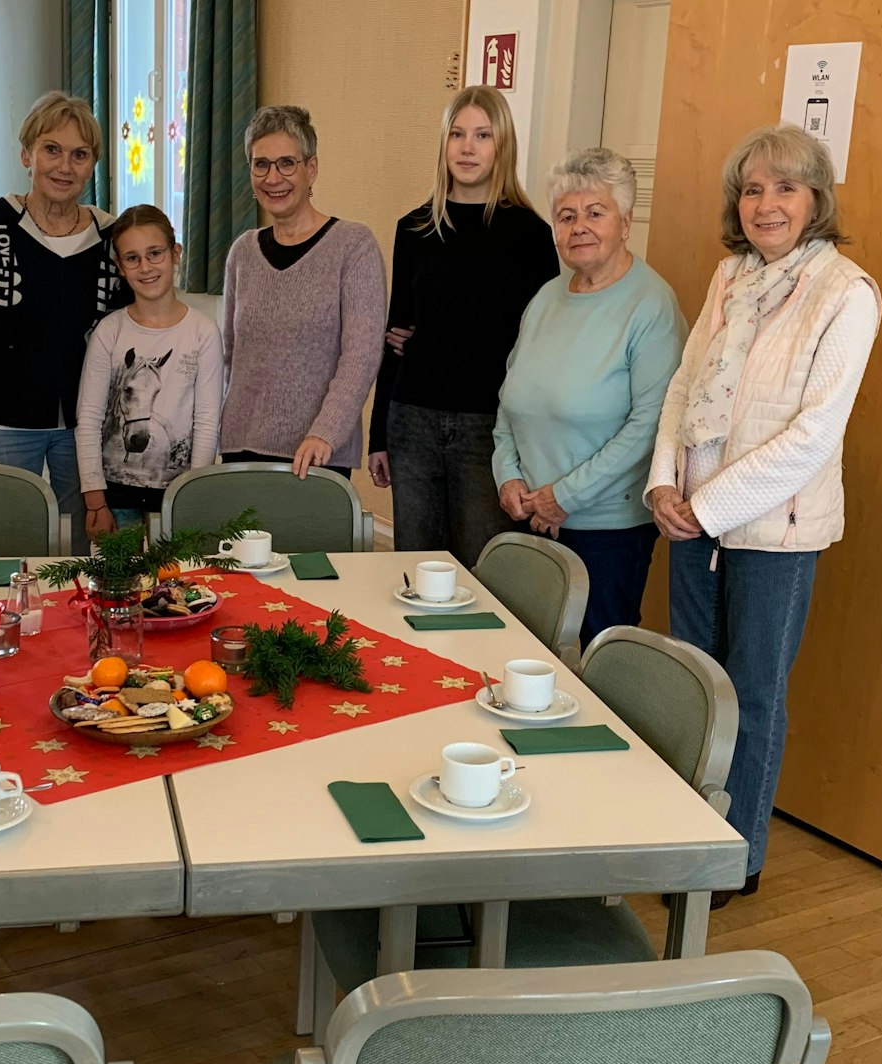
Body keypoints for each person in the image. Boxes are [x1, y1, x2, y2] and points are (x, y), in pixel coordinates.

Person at [646, 124, 881, 905]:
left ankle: (735, 858)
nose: (766, 204)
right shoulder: (728, 278)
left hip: (771, 534)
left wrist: (706, 507)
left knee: (752, 693)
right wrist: (661, 486)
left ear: (816, 199)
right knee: (694, 685)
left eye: (786, 187)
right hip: (689, 521)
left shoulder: (846, 293)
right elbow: (683, 387)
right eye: (752, 189)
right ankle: (686, 835)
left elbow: (814, 433)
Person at [493, 147, 685, 645]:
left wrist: (564, 497)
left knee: (600, 663)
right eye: (566, 215)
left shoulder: (651, 306)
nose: (579, 226)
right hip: (530, 515)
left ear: (625, 222)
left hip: (607, 530)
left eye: (595, 213)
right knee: (525, 654)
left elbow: (650, 426)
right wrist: (508, 475)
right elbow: (509, 402)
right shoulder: (546, 297)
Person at [367, 87, 558, 562]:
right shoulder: (413, 228)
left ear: (502, 145)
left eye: (482, 135)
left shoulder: (531, 236)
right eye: (457, 134)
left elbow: (542, 343)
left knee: (483, 567)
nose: (467, 147)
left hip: (489, 427)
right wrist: (378, 438)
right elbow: (395, 334)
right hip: (412, 421)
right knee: (415, 567)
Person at [0, 91, 127, 552]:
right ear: (27, 154)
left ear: (93, 165)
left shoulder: (112, 238)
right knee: (5, 541)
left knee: (78, 550)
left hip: (84, 430)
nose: (65, 166)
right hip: (2, 425)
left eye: (80, 154)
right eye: (52, 149)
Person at [220, 105, 387, 480]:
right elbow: (230, 356)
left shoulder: (353, 245)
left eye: (286, 164)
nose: (272, 177)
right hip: (240, 449)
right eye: (260, 164)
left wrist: (324, 432)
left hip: (314, 457)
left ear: (311, 169)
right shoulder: (242, 252)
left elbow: (361, 356)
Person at [73, 205, 226, 540]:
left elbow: (207, 418)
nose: (145, 267)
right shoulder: (109, 332)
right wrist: (94, 497)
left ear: (175, 254)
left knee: (175, 586)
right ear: (120, 267)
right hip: (114, 495)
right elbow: (89, 416)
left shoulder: (203, 332)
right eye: (132, 258)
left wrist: (194, 492)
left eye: (154, 253)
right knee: (120, 584)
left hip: (176, 495)